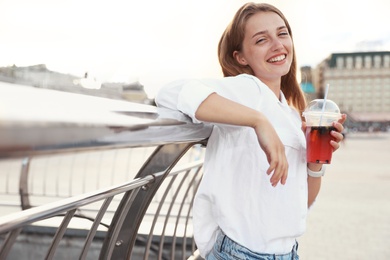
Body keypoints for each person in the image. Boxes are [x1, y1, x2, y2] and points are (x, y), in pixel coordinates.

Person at [156, 2, 346, 259]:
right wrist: (258, 121)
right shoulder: (247, 90)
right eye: (261, 40)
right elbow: (171, 93)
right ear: (241, 57)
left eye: (282, 34)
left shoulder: (291, 114)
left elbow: (302, 205)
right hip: (241, 253)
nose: (278, 45)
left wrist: (315, 163)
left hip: (287, 252)